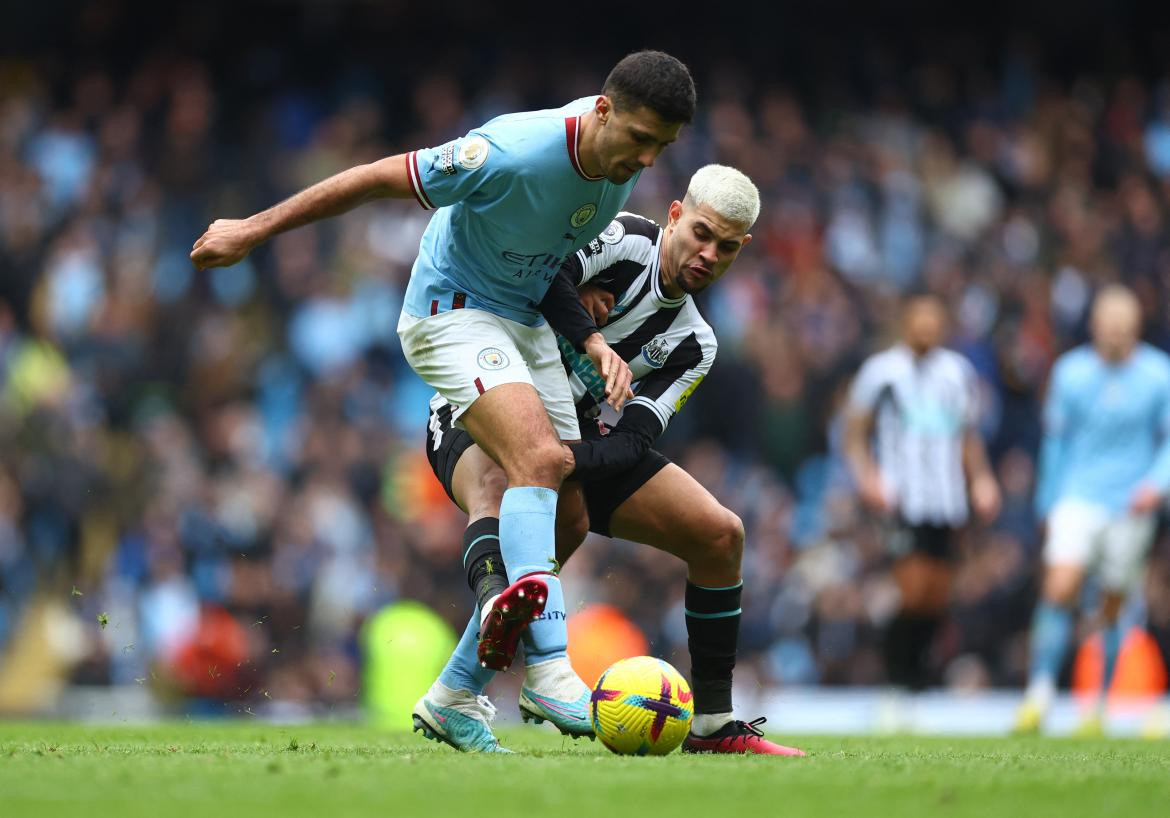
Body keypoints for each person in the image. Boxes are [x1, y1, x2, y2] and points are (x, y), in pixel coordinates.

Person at [190, 51, 696, 738]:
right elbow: (374, 179)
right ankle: (550, 674)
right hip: (449, 311)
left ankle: (455, 695)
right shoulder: (509, 151)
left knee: (570, 516)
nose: (646, 159)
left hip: (522, 323)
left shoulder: (612, 172)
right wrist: (253, 229)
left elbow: (542, 261)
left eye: (660, 148)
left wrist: (592, 338)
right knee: (540, 460)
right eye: (640, 139)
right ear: (602, 110)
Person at [414, 164, 804, 756]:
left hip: (577, 443)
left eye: (725, 248)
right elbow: (542, 277)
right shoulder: (622, 238)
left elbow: (634, 442)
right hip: (479, 406)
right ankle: (502, 620)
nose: (707, 254)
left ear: (741, 250)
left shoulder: (696, 343)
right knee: (523, 493)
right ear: (675, 214)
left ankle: (713, 725)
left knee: (720, 534)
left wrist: (557, 458)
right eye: (701, 233)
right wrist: (579, 319)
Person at [1015, 285, 1170, 735]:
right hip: (1079, 496)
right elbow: (1056, 442)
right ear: (1095, 326)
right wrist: (1048, 499)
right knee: (1060, 585)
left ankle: (1097, 706)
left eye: (1125, 326)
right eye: (1110, 325)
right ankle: (1038, 694)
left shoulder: (1159, 375)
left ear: (1136, 328)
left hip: (1131, 503)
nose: (1117, 334)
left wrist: (1156, 485)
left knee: (1112, 604)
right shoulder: (1071, 373)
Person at [843, 292, 1001, 694]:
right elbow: (854, 432)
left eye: (934, 321)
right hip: (901, 495)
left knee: (937, 593)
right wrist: (868, 476)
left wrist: (980, 480)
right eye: (920, 320)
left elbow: (967, 435)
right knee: (912, 588)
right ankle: (897, 673)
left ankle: (916, 676)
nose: (927, 329)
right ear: (907, 322)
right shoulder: (881, 372)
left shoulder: (957, 372)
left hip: (945, 498)